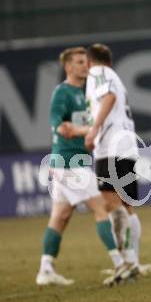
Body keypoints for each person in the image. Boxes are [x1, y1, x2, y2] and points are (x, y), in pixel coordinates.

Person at [36, 47, 128, 286]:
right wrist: (62, 128)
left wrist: (86, 130)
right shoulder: (63, 92)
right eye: (78, 62)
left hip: (74, 160)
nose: (84, 65)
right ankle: (120, 264)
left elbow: (90, 123)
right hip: (69, 161)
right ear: (68, 67)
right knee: (102, 208)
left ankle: (45, 269)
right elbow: (56, 121)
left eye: (85, 61)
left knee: (61, 216)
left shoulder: (88, 91)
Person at [84, 43, 151, 285]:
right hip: (125, 146)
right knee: (126, 204)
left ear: (90, 62)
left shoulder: (97, 74)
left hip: (110, 147)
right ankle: (132, 261)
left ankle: (128, 262)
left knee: (110, 203)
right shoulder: (114, 75)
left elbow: (109, 98)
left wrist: (93, 130)